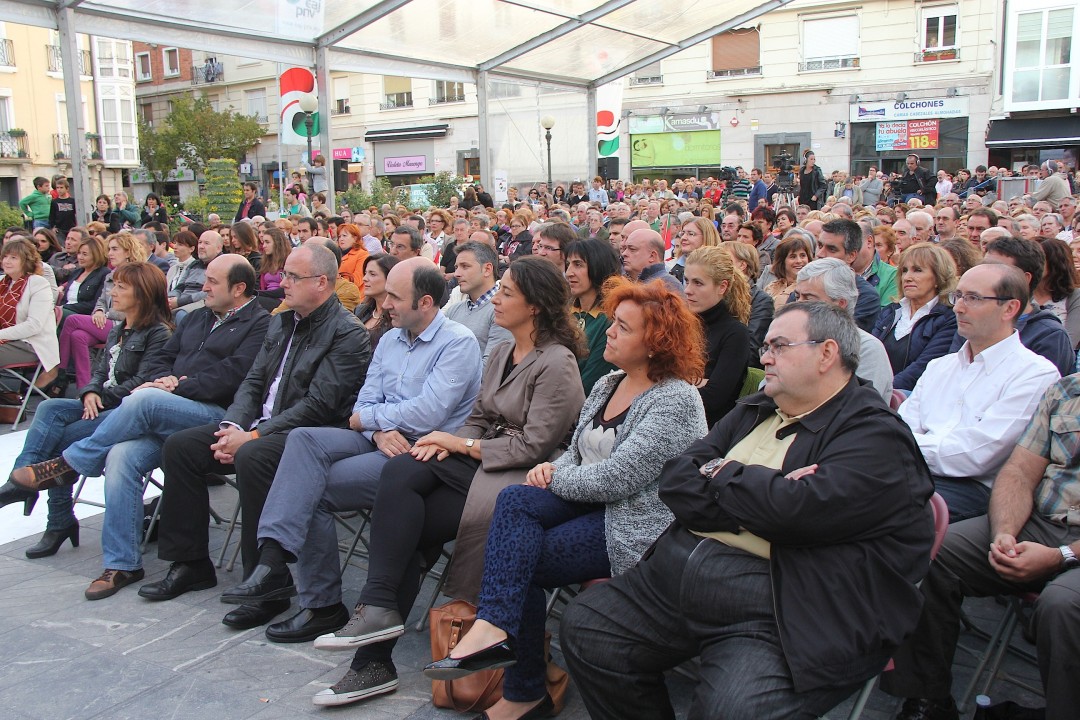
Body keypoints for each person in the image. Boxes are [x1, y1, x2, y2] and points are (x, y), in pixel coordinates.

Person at [560, 301, 936, 720]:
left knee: (732, 709)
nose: (765, 356)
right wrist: (760, 494)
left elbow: (795, 514)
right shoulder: (759, 406)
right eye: (766, 346)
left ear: (827, 354)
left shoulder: (874, 434)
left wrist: (720, 475)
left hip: (781, 607)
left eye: (779, 346)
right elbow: (677, 479)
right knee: (589, 628)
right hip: (673, 580)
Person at [423, 278, 710, 718]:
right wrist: (556, 471)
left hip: (632, 522)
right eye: (613, 321)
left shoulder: (676, 400)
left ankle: (523, 691)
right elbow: (577, 452)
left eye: (623, 327)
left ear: (655, 344)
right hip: (586, 502)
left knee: (522, 561)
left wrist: (554, 474)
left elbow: (617, 479)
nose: (609, 331)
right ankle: (494, 631)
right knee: (515, 500)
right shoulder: (609, 383)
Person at [308, 256, 585, 707]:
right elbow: (478, 417)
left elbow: (534, 446)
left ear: (535, 306)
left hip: (515, 477)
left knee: (406, 505)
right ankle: (374, 636)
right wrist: (451, 443)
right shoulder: (502, 352)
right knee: (405, 484)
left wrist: (459, 445)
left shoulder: (558, 363)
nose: (496, 299)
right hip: (477, 463)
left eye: (507, 293)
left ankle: (373, 650)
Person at [218, 258, 482, 645]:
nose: (385, 304)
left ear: (425, 302)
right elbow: (363, 402)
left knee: (312, 489)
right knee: (303, 439)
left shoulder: (458, 342)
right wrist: (378, 429)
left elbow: (429, 413)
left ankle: (322, 605)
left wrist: (372, 421)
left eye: (395, 297)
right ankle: (273, 558)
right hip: (380, 439)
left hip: (419, 454)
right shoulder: (390, 339)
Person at [136, 245, 372, 632]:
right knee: (181, 448)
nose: (282, 283)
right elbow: (252, 382)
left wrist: (254, 435)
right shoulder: (281, 322)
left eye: (293, 277)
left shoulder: (347, 332)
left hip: (309, 434)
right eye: (285, 274)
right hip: (260, 425)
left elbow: (320, 404)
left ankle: (265, 583)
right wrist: (233, 427)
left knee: (254, 456)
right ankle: (191, 564)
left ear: (321, 283)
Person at [16, 256, 270, 599]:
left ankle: (69, 464)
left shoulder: (260, 324)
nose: (204, 286)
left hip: (219, 416)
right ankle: (122, 564)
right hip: (172, 408)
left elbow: (234, 375)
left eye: (212, 281)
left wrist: (176, 386)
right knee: (121, 455)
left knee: (143, 400)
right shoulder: (197, 317)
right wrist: (164, 379)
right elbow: (164, 358)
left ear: (238, 288)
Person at [881, 373, 1080, 720]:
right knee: (931, 553)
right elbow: (1019, 471)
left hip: (1070, 547)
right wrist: (1004, 532)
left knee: (1062, 604)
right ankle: (928, 700)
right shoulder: (1068, 390)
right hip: (1043, 521)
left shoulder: (1035, 372)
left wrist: (1063, 555)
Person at [0, 263, 172, 557]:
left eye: (121, 287)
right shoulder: (119, 329)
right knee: (50, 407)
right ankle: (22, 481)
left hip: (126, 412)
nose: (112, 292)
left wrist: (100, 397)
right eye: (113, 285)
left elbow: (143, 381)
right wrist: (90, 391)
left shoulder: (159, 333)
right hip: (103, 403)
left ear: (143, 293)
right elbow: (99, 371)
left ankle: (55, 518)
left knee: (59, 438)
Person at [900, 264, 1060, 522]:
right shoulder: (940, 366)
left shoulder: (1035, 374)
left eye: (973, 298)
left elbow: (977, 456)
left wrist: (904, 448)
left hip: (972, 489)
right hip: (912, 471)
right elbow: (902, 427)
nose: (958, 307)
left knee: (876, 506)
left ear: (1010, 308)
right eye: (958, 296)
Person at [956, 236, 1076, 376]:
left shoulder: (1049, 335)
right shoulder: (970, 321)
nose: (958, 308)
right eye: (983, 266)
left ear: (1024, 279)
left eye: (995, 269)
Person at [57, 233, 149, 391]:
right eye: (109, 249)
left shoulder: (137, 275)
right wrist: (99, 311)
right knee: (78, 336)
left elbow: (132, 308)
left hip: (125, 325)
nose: (110, 254)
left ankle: (58, 370)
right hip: (106, 322)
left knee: (72, 320)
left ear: (128, 252)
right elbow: (101, 300)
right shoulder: (110, 275)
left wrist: (105, 315)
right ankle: (84, 388)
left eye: (115, 249)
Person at [794, 258, 894, 400]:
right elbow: (768, 391)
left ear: (840, 304)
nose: (798, 305)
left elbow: (858, 406)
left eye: (808, 298)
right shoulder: (792, 340)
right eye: (797, 296)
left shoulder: (867, 349)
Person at [871, 243, 959, 391]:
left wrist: (882, 391)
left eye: (917, 270)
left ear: (938, 277)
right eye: (904, 271)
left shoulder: (948, 319)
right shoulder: (891, 311)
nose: (907, 277)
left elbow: (923, 367)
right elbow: (871, 354)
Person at [683, 246, 753, 427]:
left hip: (708, 429)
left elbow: (714, 398)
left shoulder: (735, 334)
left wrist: (673, 381)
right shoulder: (681, 324)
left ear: (722, 287)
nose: (688, 290)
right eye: (686, 281)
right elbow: (652, 376)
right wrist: (695, 382)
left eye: (698, 283)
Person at [0, 238, 60, 386]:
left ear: (26, 261)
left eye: (13, 258)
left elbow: (33, 325)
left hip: (31, 344)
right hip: (7, 341)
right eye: (5, 256)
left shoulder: (38, 284)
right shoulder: (3, 282)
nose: (7, 261)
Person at [814, 219, 893, 332]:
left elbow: (842, 336)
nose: (820, 254)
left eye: (832, 249)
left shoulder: (866, 297)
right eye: (820, 245)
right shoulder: (806, 284)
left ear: (851, 256)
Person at [565, 239, 621, 394]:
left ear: (598, 266)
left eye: (578, 264)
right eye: (568, 264)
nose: (569, 273)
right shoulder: (566, 311)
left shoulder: (611, 320)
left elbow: (589, 384)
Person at [444, 241, 512, 364]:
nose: (457, 274)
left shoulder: (501, 310)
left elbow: (491, 367)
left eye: (465, 266)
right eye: (456, 267)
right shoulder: (454, 310)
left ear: (487, 269)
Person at [1033, 237, 1080, 348]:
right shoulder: (1021, 294)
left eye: (1037, 258)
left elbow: (1069, 343)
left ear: (1054, 262)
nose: (1030, 263)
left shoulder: (1074, 297)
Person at [56, 234, 109, 324]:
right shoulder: (76, 273)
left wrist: (64, 308)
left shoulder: (104, 274)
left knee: (53, 313)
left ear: (96, 255)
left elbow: (95, 303)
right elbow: (64, 300)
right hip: (64, 311)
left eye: (84, 254)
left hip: (84, 315)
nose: (80, 257)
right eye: (79, 253)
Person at [354, 254, 399, 349]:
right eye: (365, 273)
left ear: (390, 278)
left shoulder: (399, 318)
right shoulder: (360, 311)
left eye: (372, 274)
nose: (364, 278)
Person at [759, 233, 813, 310]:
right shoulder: (771, 287)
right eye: (793, 257)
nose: (799, 261)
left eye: (803, 255)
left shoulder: (810, 288)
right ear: (782, 261)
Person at [621, 228, 683, 293]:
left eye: (632, 249)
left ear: (652, 256)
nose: (624, 254)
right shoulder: (628, 280)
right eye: (625, 248)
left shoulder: (667, 285)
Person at [670, 217, 720, 284]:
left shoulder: (717, 269)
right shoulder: (673, 266)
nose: (683, 238)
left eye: (691, 234)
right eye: (682, 233)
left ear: (706, 237)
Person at [257, 226, 291, 300]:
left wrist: (257, 293)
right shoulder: (265, 262)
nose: (264, 246)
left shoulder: (289, 261)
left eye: (267, 242)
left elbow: (284, 290)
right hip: (267, 298)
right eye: (263, 242)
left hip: (283, 299)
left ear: (277, 243)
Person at [335, 223, 369, 287]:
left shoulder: (362, 254)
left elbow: (357, 280)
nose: (341, 239)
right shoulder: (334, 253)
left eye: (344, 236)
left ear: (355, 238)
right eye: (339, 236)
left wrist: (337, 281)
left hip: (352, 291)